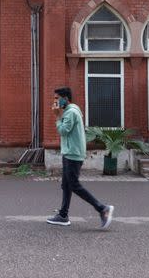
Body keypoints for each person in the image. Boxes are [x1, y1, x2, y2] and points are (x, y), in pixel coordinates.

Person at [47, 86, 114, 229]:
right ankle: (63, 215)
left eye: (57, 98)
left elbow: (63, 131)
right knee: (66, 185)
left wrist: (57, 116)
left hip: (73, 154)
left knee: (74, 185)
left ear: (66, 99)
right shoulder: (70, 111)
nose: (55, 102)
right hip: (70, 152)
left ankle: (102, 209)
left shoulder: (70, 113)